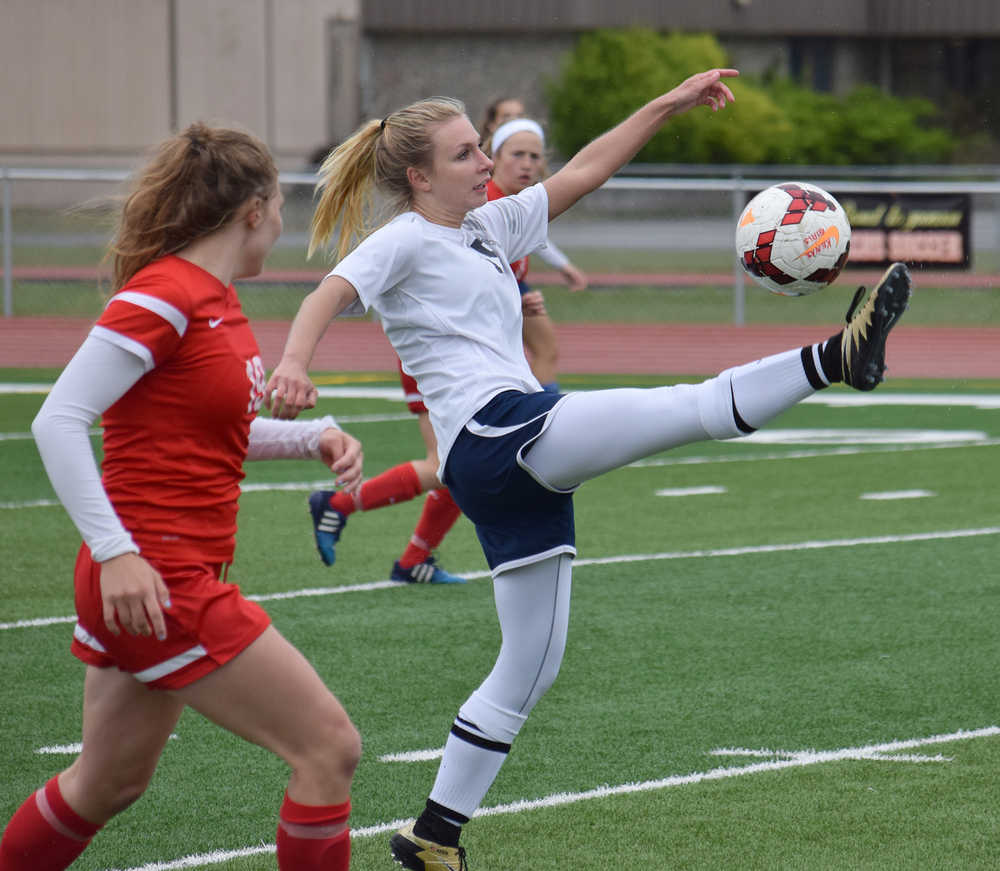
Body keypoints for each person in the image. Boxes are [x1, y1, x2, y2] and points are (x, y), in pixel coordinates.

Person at [264, 69, 913, 871]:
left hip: (500, 458)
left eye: (481, 148)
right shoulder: (405, 236)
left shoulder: (488, 226)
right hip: (496, 433)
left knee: (529, 665)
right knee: (683, 409)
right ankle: (834, 358)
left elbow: (584, 172)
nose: (485, 162)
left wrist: (669, 103)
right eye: (466, 153)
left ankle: (433, 835)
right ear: (419, 177)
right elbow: (327, 291)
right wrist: (292, 363)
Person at [0, 124, 363, 871]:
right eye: (283, 210)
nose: (284, 228)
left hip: (157, 575)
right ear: (255, 209)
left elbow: (207, 430)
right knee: (329, 747)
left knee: (105, 783)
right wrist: (118, 553)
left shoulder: (216, 301)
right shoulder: (167, 294)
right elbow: (58, 420)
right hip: (156, 579)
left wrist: (311, 435)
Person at [307, 358, 466, 584]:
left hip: (453, 355)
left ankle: (414, 561)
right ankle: (338, 505)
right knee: (445, 467)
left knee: (459, 465)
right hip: (439, 353)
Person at [485, 116, 588, 392]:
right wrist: (510, 303)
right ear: (494, 156)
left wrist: (563, 265)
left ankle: (543, 416)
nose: (527, 163)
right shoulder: (484, 203)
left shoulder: (523, 203)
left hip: (511, 290)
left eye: (534, 156)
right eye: (517, 154)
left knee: (546, 348)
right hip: (482, 297)